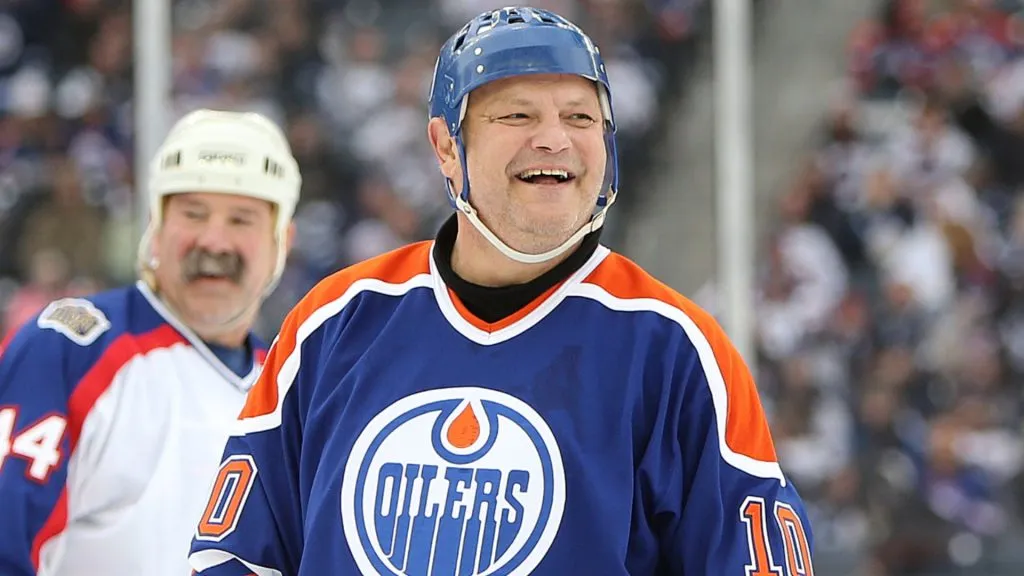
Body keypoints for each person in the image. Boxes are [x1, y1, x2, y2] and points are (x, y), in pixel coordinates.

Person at [187, 7, 816, 575]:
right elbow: (235, 554)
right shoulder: (335, 324)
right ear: (446, 146)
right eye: (517, 114)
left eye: (580, 117)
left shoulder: (675, 352)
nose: (554, 139)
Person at [0, 109, 301, 576]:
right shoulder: (70, 350)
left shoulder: (289, 396)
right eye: (193, 213)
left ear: (284, 240)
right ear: (156, 225)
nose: (214, 240)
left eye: (241, 219)